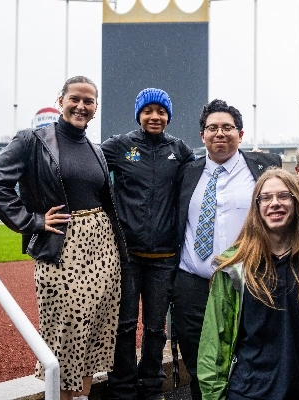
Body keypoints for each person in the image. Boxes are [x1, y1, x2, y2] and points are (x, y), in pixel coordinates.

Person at [0, 76, 127, 400]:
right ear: (60, 101)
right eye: (74, 98)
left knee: (95, 335)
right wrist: (32, 221)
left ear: (95, 108)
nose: (81, 105)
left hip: (104, 252)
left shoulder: (97, 150)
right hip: (63, 249)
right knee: (65, 337)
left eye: (88, 101)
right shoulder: (31, 140)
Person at [197, 167, 299, 400]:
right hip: (246, 393)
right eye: (266, 198)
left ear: (296, 203)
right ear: (257, 207)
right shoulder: (234, 266)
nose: (275, 203)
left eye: (283, 196)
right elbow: (214, 344)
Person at [172, 99, 282, 400]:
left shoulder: (263, 169)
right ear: (202, 135)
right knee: (198, 363)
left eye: (227, 127)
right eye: (212, 128)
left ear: (241, 134)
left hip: (247, 279)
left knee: (248, 357)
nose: (219, 133)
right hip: (192, 284)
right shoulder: (187, 173)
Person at [101, 88, 195, 400]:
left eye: (161, 112)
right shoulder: (119, 146)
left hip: (165, 256)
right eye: (148, 111)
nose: (155, 117)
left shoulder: (179, 150)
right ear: (139, 115)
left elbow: (198, 182)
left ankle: (152, 385)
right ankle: (122, 385)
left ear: (168, 116)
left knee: (156, 328)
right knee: (125, 325)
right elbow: (90, 172)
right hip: (127, 255)